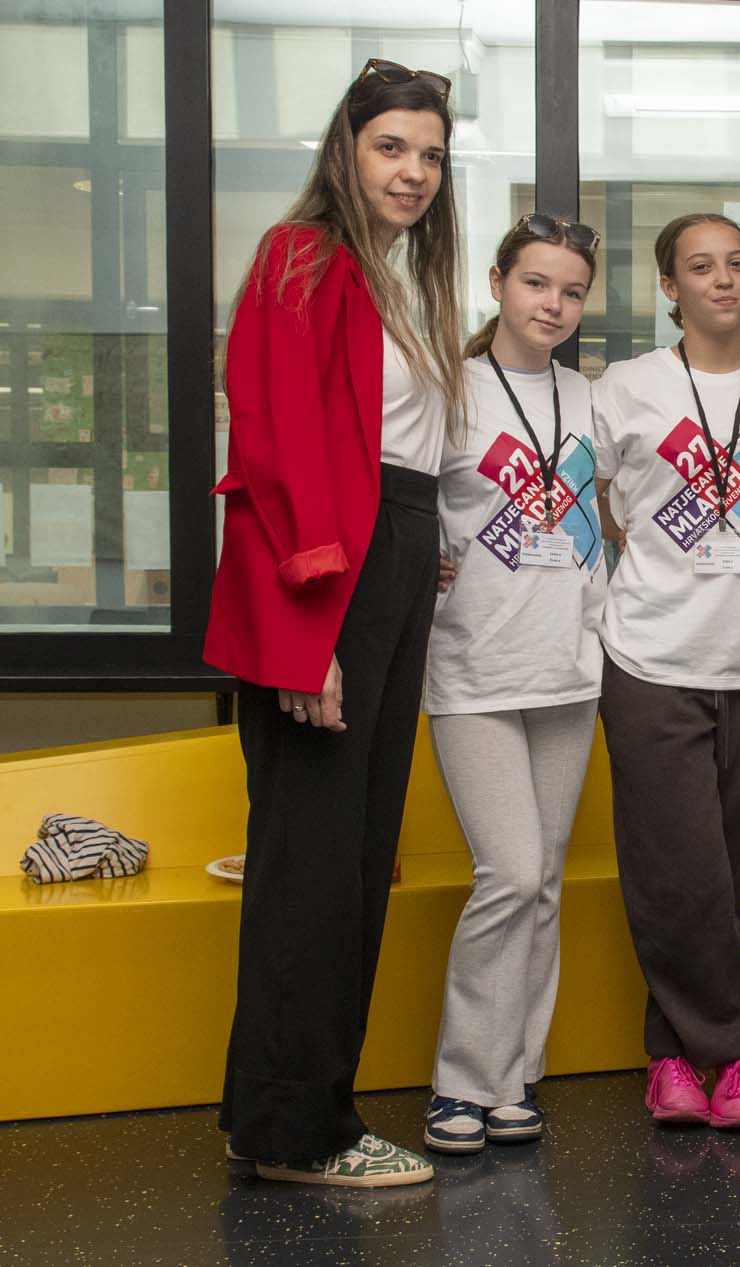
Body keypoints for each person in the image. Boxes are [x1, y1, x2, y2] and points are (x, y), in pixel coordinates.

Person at [203, 58, 465, 1187]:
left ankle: (276, 1110)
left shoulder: (395, 278)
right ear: (346, 150)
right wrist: (310, 633)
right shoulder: (301, 254)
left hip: (391, 558)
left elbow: (397, 452)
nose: (414, 171)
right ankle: (298, 1132)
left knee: (353, 860)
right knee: (314, 867)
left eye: (431, 154)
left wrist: (418, 551)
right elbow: (275, 443)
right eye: (391, 147)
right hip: (329, 576)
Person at [591, 212, 740, 1130]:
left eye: (737, 263)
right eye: (701, 266)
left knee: (728, 870)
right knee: (677, 869)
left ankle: (675, 1058)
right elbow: (603, 505)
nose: (724, 280)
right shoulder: (627, 386)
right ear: (669, 288)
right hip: (650, 655)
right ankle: (738, 1053)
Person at [421, 214, 606, 1153]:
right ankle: (460, 1080)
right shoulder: (447, 389)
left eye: (571, 291)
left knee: (545, 881)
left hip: (568, 667)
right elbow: (402, 505)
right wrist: (423, 562)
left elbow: (620, 507)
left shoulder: (589, 397)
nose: (553, 305)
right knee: (512, 870)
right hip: (474, 668)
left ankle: (512, 1073)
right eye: (537, 283)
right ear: (497, 283)